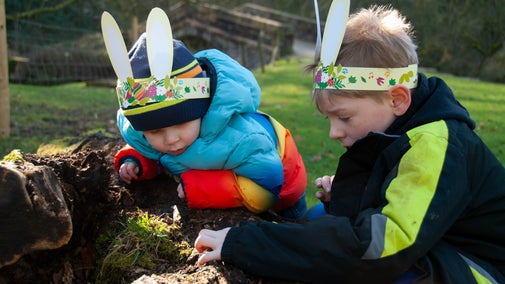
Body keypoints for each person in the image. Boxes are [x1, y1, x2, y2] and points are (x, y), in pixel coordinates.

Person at [193, 2, 505, 283]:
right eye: (329, 119)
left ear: (397, 98)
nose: (334, 132)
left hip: (479, 268)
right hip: (436, 243)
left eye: (344, 117)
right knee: (319, 217)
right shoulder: (398, 124)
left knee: (383, 268)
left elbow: (384, 246)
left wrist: (248, 244)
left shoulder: (435, 143)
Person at [101, 8, 307, 219]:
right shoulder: (149, 136)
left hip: (284, 188)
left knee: (297, 227)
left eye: (181, 124)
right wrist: (136, 160)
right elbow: (149, 149)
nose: (171, 139)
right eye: (155, 131)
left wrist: (202, 188)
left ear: (201, 110)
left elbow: (267, 188)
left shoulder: (241, 140)